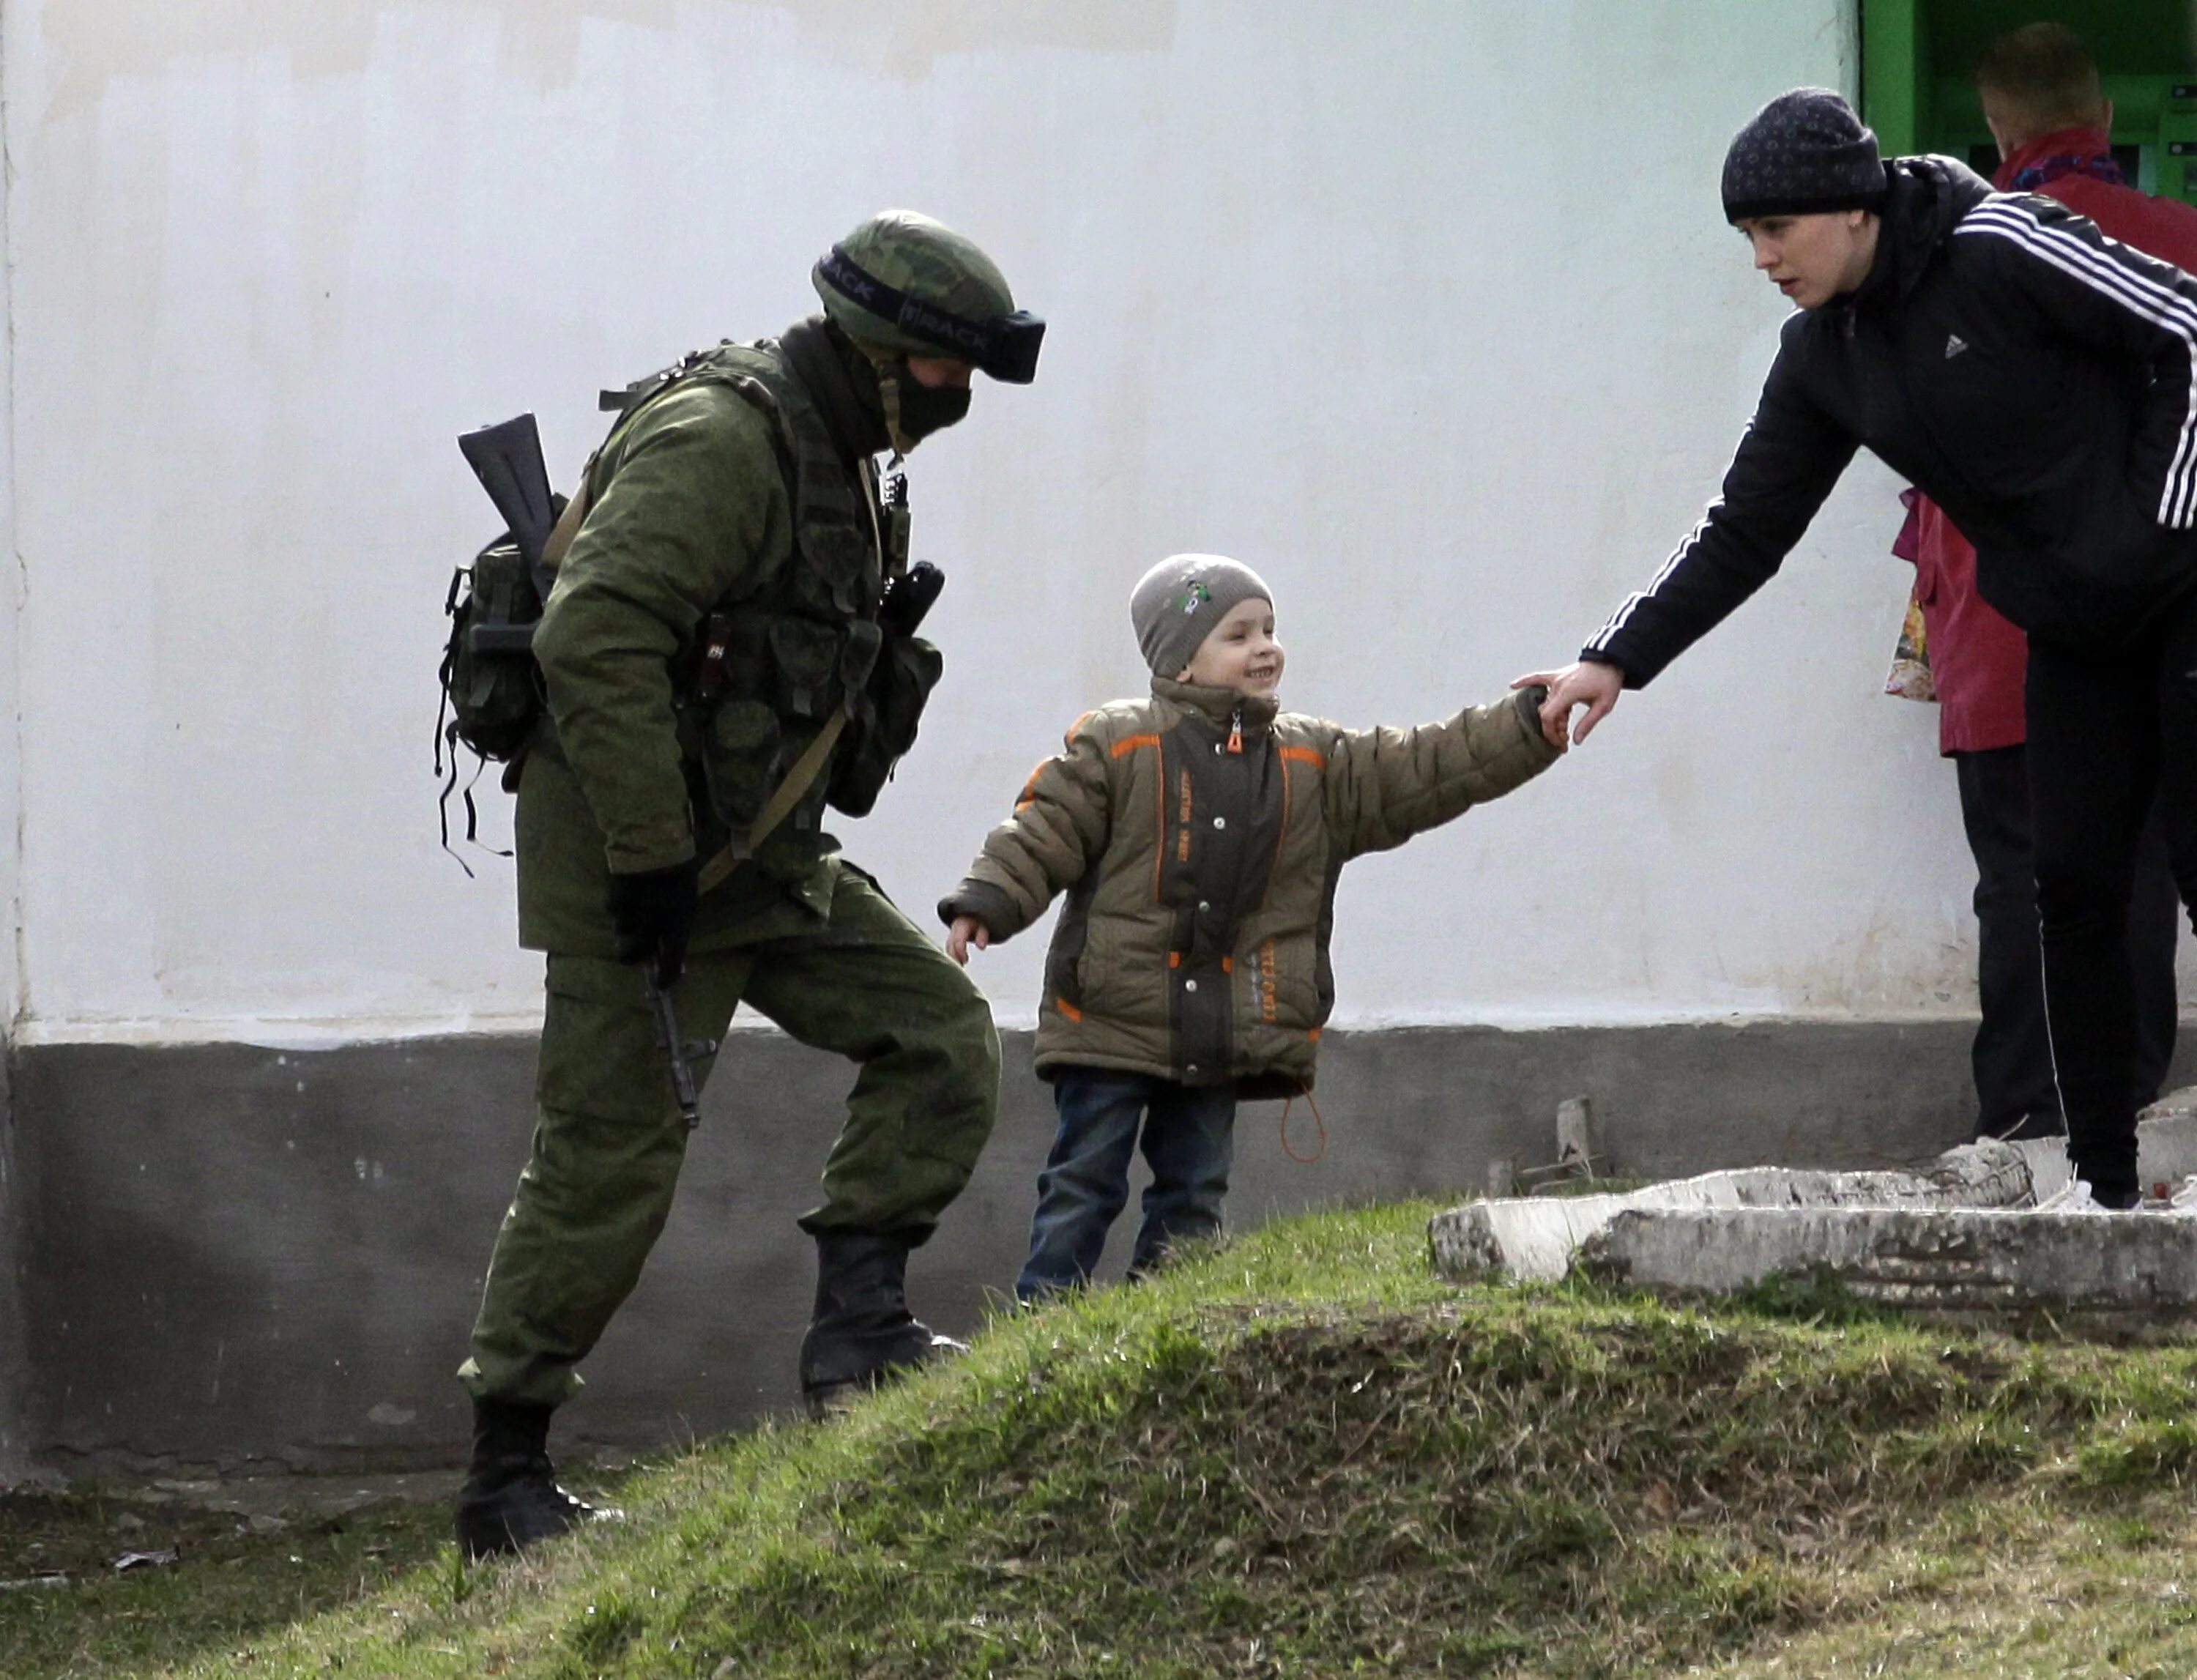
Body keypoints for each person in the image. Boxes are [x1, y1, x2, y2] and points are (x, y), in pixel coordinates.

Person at [454, 209, 1044, 1558]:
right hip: (641, 865)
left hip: (762, 856)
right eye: (952, 375)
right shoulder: (728, 439)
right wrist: (652, 857)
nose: (958, 406)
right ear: (893, 354)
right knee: (610, 1158)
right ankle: (505, 1472)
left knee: (939, 1033)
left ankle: (861, 1328)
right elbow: (595, 632)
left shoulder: (852, 458)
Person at [1520, 87, 2197, 1211]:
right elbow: (1746, 527)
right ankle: (2106, 1188)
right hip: (2073, 623)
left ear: (1852, 208)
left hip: (2181, 587)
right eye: (1747, 237)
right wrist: (1616, 657)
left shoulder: (2000, 241)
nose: (1761, 259)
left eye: (1775, 231)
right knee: (2067, 890)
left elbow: (2186, 323)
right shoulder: (1824, 353)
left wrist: (2161, 523)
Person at [938, 554, 1560, 1301]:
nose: (1265, 645)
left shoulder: (1313, 760)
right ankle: (1040, 1322)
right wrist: (988, 900)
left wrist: (1526, 725)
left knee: (1196, 1190)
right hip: (1109, 1019)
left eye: (1268, 627)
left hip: (1223, 1031)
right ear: (1182, 657)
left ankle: (1166, 1317)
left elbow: (1425, 766)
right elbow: (1043, 829)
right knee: (1083, 1182)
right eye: (1237, 633)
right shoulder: (1120, 743)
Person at [1898, 23, 2194, 1142]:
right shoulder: (2182, 240)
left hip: (2008, 626)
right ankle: (2133, 1116)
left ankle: (2028, 1118)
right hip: (2164, 622)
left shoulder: (1959, 257)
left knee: (2025, 876)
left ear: (1994, 131)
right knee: (2145, 872)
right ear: (2105, 122)